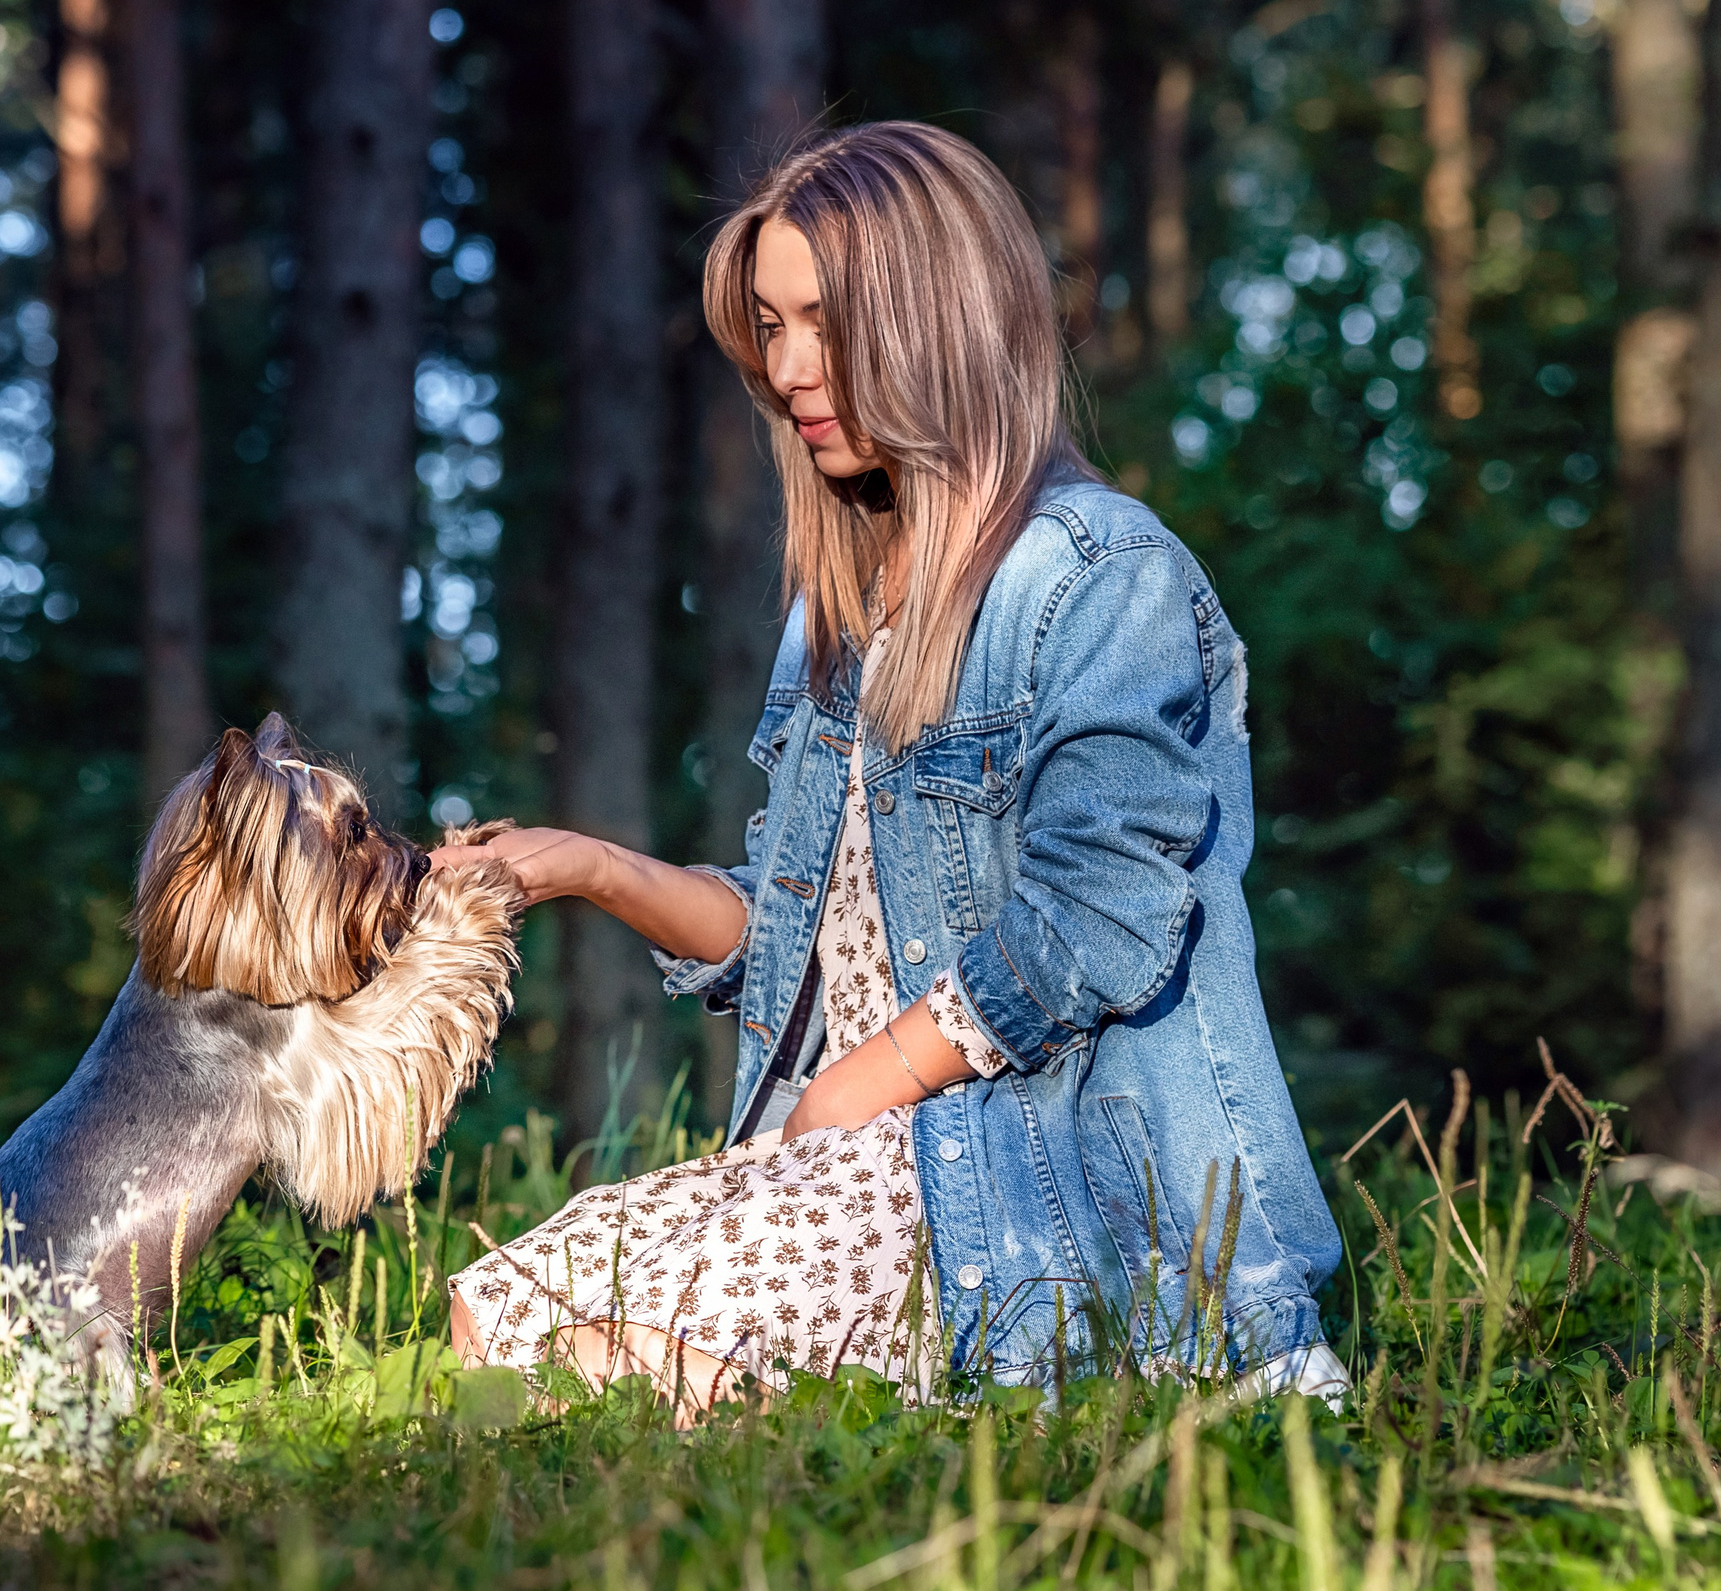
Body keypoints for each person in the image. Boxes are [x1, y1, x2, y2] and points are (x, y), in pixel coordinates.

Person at [430, 121, 1345, 1418]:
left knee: (593, 1365)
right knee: (496, 1311)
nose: (790, 368)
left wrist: (873, 1078)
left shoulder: (1097, 574)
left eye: (822, 322)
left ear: (935, 318)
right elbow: (803, 933)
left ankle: (1092, 1376)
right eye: (770, 326)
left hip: (1002, 1175)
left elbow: (1104, 914)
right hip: (842, 1149)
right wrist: (589, 866)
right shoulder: (841, 604)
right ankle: (813, 1404)